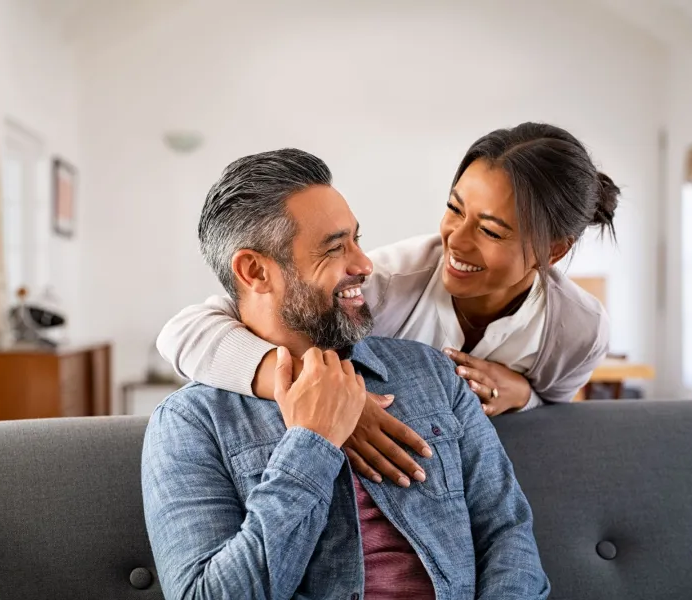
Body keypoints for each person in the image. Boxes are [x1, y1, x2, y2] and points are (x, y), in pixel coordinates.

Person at [142, 149, 549, 599]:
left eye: (357, 239)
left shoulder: (433, 373)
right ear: (255, 271)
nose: (364, 264)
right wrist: (311, 444)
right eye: (336, 247)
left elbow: (507, 532)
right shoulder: (191, 423)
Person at [157, 122, 617, 487]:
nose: (455, 240)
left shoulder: (578, 329)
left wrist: (524, 395)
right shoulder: (387, 283)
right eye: (454, 209)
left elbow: (556, 414)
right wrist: (324, 396)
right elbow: (184, 332)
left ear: (553, 251)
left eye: (491, 230)